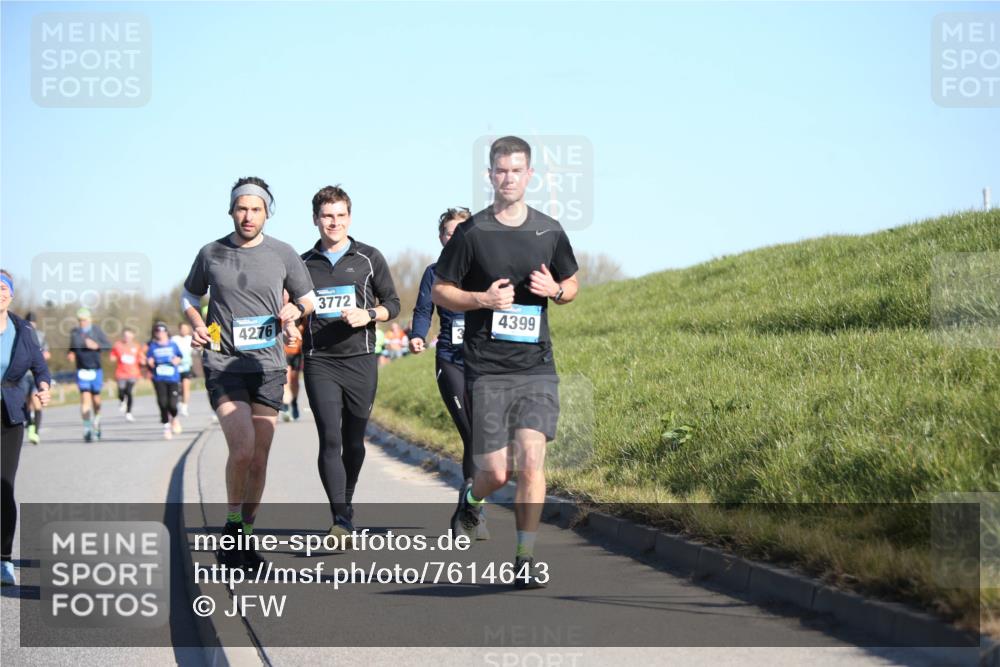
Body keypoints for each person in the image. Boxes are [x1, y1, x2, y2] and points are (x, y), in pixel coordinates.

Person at [433, 136, 579, 589]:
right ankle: (472, 500)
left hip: (535, 365)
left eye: (517, 170)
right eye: (501, 170)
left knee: (532, 461)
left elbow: (572, 283)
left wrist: (554, 290)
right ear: (489, 175)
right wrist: (482, 298)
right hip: (487, 367)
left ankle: (525, 557)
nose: (509, 178)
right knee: (497, 471)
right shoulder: (471, 233)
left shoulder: (549, 230)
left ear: (529, 175)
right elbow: (441, 290)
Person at [181, 176, 315, 569]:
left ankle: (244, 540)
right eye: (242, 208)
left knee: (259, 458)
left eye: (256, 209)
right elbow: (191, 294)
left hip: (269, 366)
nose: (248, 215)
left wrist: (296, 310)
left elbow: (308, 297)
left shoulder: (283, 254)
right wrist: (195, 319)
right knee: (241, 450)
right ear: (231, 210)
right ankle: (233, 526)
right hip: (224, 363)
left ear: (267, 213)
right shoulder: (212, 253)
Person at [301, 184, 399, 546]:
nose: (334, 222)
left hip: (360, 360)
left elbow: (393, 303)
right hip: (319, 362)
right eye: (327, 216)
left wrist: (368, 313)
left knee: (353, 442)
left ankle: (348, 497)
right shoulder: (302, 263)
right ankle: (339, 518)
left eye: (341, 215)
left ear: (350, 217)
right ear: (315, 219)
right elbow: (293, 304)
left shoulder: (369, 258)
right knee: (329, 437)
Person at [410, 206, 488, 539]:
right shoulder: (434, 272)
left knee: (483, 439)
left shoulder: (485, 269)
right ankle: (471, 512)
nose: (454, 237)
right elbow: (424, 309)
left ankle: (471, 508)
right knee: (472, 435)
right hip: (450, 361)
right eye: (448, 232)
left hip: (484, 363)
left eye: (461, 231)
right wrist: (417, 334)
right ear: (441, 237)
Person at [1, 270, 52, 585]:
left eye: (3, 288)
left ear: (11, 294)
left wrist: (44, 386)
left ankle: (3, 560)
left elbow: (40, 367)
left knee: (4, 487)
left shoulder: (22, 330)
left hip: (9, 414)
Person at [67, 307, 112, 442]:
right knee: (85, 399)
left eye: (85, 320)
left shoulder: (96, 331)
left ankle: (97, 423)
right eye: (80, 320)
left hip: (96, 370)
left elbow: (108, 346)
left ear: (90, 319)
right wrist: (71, 353)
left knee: (96, 401)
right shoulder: (74, 333)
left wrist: (96, 346)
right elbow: (71, 348)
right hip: (82, 370)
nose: (82, 323)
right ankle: (87, 428)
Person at [146, 322, 183, 439]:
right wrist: (149, 362)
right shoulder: (152, 346)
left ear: (166, 332)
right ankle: (166, 427)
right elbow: (148, 359)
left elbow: (179, 356)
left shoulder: (173, 344)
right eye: (157, 331)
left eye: (162, 331)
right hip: (159, 378)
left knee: (172, 404)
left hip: (172, 378)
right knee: (162, 403)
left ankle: (175, 418)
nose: (160, 333)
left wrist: (177, 360)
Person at [21, 312, 49, 444]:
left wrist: (39, 358)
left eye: (33, 323)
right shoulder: (20, 333)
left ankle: (35, 432)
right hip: (23, 375)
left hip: (36, 374)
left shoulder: (41, 336)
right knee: (26, 403)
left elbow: (47, 354)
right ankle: (31, 424)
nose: (31, 325)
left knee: (36, 401)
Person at [110, 327, 143, 422]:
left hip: (133, 373)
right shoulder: (118, 345)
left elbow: (141, 357)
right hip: (121, 373)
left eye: (129, 335)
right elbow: (113, 355)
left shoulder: (136, 346)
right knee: (121, 391)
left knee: (129, 392)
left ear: (133, 336)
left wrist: (143, 360)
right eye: (125, 336)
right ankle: (121, 400)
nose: (127, 337)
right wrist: (112, 358)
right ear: (123, 336)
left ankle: (128, 413)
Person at [280, 311, 304, 422]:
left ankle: (294, 402)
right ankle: (285, 406)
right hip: (284, 352)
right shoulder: (280, 313)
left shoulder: (301, 314)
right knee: (287, 380)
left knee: (294, 381)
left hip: (297, 353)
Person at [172, 322, 195, 417]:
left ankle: (184, 407)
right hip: (175, 367)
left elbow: (198, 348)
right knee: (177, 388)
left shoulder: (191, 338)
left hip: (186, 366)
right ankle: (178, 402)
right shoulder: (174, 339)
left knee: (186, 387)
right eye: (182, 328)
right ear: (179, 329)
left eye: (186, 328)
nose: (184, 330)